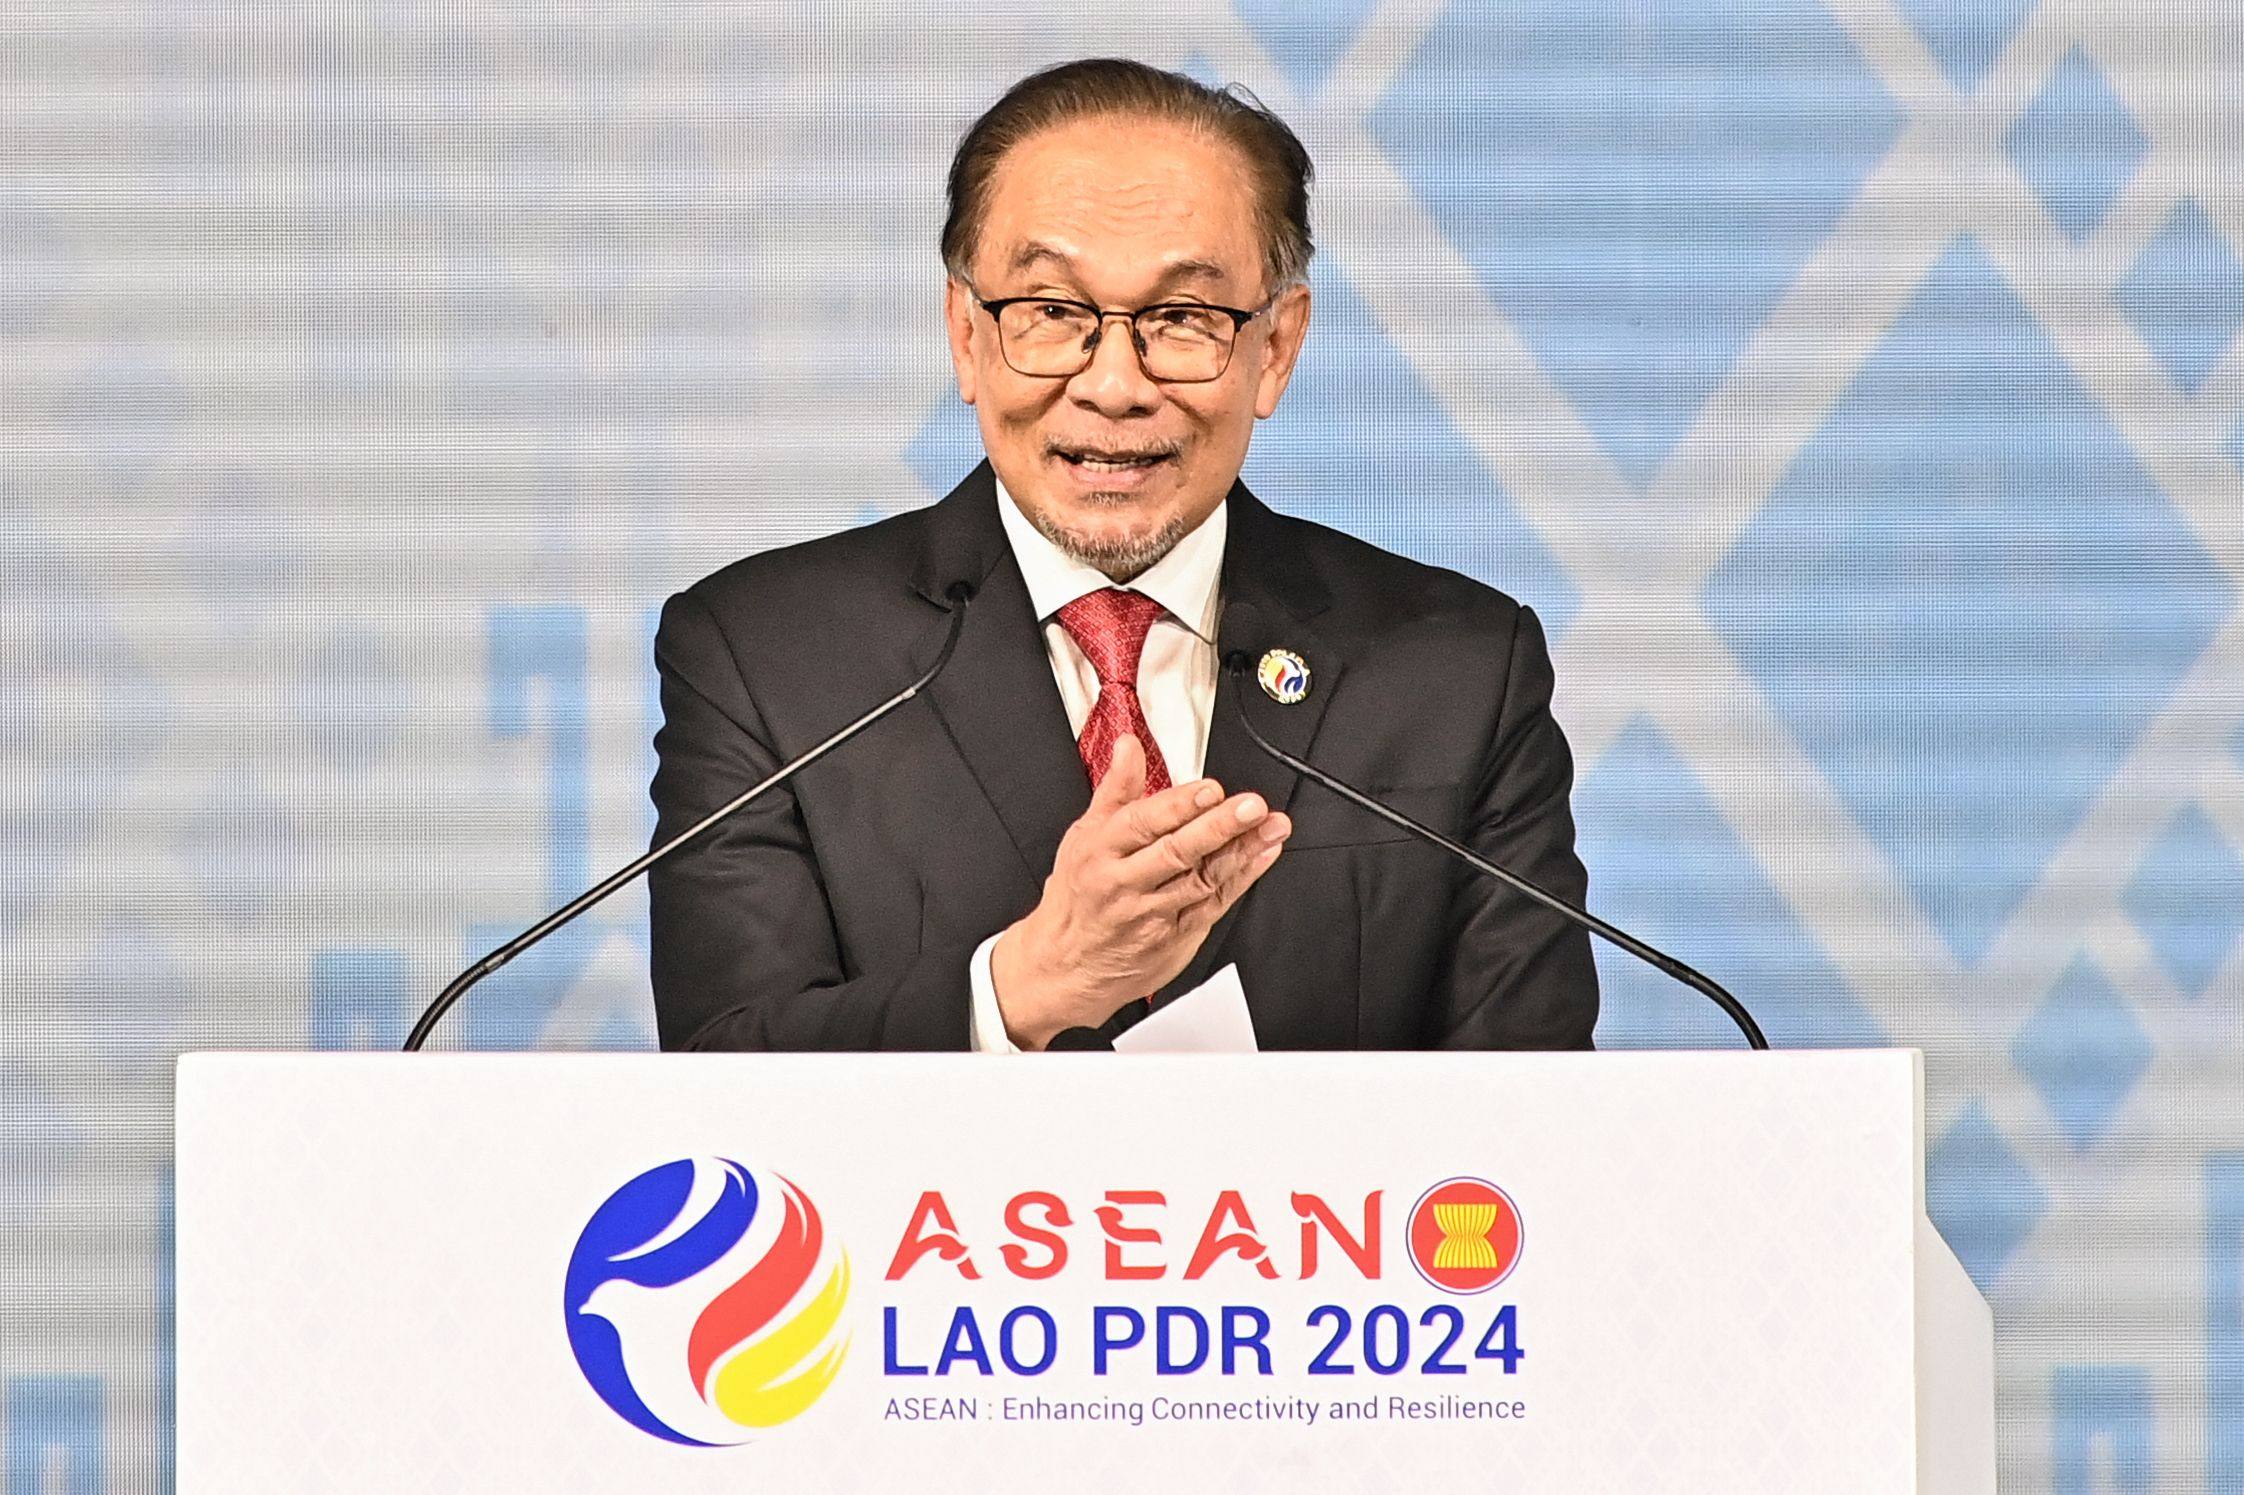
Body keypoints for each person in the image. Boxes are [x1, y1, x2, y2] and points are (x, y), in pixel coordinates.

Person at [649, 58, 1597, 1052]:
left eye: (1182, 319)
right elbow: (726, 1076)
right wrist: (1021, 991)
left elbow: (1533, 1126)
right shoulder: (768, 659)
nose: (1113, 386)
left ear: (1274, 349)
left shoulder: (1456, 671)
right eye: (1052, 313)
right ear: (966, 338)